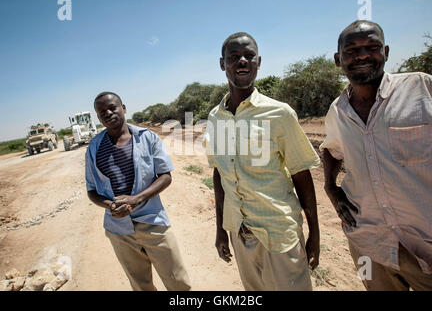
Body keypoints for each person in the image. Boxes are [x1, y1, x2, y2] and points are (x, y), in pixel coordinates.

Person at [204, 32, 321, 291]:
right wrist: (222, 229)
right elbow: (219, 174)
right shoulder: (215, 118)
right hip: (239, 232)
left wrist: (315, 233)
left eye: (249, 56)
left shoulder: (279, 113)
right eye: (234, 57)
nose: (242, 61)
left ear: (259, 62)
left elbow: (301, 173)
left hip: (279, 234)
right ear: (222, 64)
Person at [321, 20, 432, 291]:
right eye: (351, 50)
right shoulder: (338, 110)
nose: (361, 55)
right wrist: (330, 188)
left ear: (386, 52)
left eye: (372, 47)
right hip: (370, 244)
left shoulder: (422, 89)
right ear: (338, 59)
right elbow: (331, 149)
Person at [85, 92, 191, 291]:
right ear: (98, 118)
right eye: (102, 112)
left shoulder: (147, 137)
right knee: (140, 286)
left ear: (123, 108)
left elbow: (165, 176)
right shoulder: (94, 148)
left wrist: (136, 200)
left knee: (178, 283)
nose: (108, 113)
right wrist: (111, 206)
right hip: (119, 231)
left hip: (153, 222)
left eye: (112, 108)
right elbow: (92, 190)